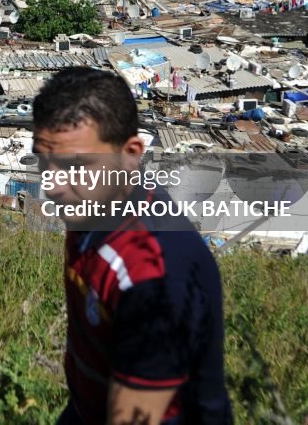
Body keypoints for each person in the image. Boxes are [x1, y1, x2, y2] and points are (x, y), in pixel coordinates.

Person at [32, 67, 232, 425]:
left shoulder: (153, 276)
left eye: (74, 166)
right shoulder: (93, 205)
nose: (53, 185)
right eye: (44, 162)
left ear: (131, 153)